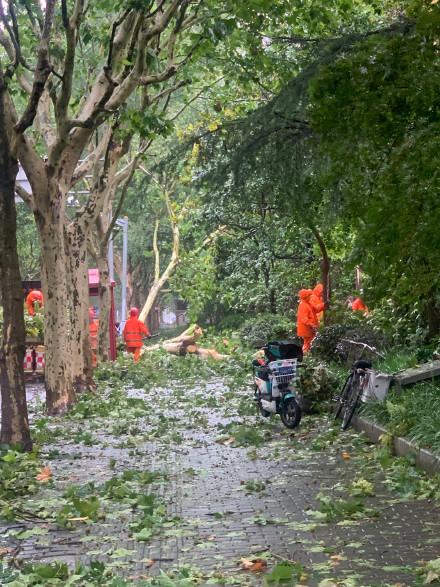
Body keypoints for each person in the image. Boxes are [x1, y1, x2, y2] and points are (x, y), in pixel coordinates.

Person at [297, 289, 317, 353]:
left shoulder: (307, 304)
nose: (310, 297)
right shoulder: (303, 305)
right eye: (309, 295)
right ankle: (304, 355)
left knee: (310, 342)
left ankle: (307, 355)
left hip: (309, 328)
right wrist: (312, 324)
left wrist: (324, 306)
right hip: (306, 329)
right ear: (306, 296)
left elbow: (315, 309)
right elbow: (304, 319)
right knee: (307, 343)